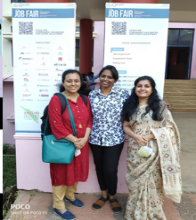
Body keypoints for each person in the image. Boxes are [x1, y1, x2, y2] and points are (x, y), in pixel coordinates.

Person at [121, 76, 182, 220]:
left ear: (152, 89)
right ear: (135, 88)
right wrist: (136, 137)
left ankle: (152, 212)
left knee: (153, 182)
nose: (142, 89)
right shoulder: (129, 106)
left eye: (146, 86)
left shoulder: (159, 106)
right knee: (137, 182)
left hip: (155, 151)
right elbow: (126, 126)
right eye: (139, 86)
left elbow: (169, 127)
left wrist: (149, 137)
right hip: (135, 151)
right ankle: (134, 212)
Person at [48, 69, 92, 220]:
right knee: (61, 174)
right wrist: (75, 140)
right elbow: (56, 125)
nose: (73, 84)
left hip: (82, 144)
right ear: (63, 82)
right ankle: (58, 205)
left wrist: (84, 139)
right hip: (64, 144)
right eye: (69, 81)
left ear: (81, 82)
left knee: (77, 171)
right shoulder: (57, 99)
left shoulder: (85, 99)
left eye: (76, 81)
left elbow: (89, 121)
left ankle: (70, 196)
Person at [88, 65, 130, 213]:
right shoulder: (92, 95)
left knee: (110, 169)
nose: (106, 79)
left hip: (115, 138)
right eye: (103, 76)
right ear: (99, 77)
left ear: (115, 80)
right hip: (95, 138)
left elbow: (138, 105)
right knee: (99, 167)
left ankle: (112, 196)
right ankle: (104, 195)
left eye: (110, 77)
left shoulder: (123, 94)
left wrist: (160, 104)